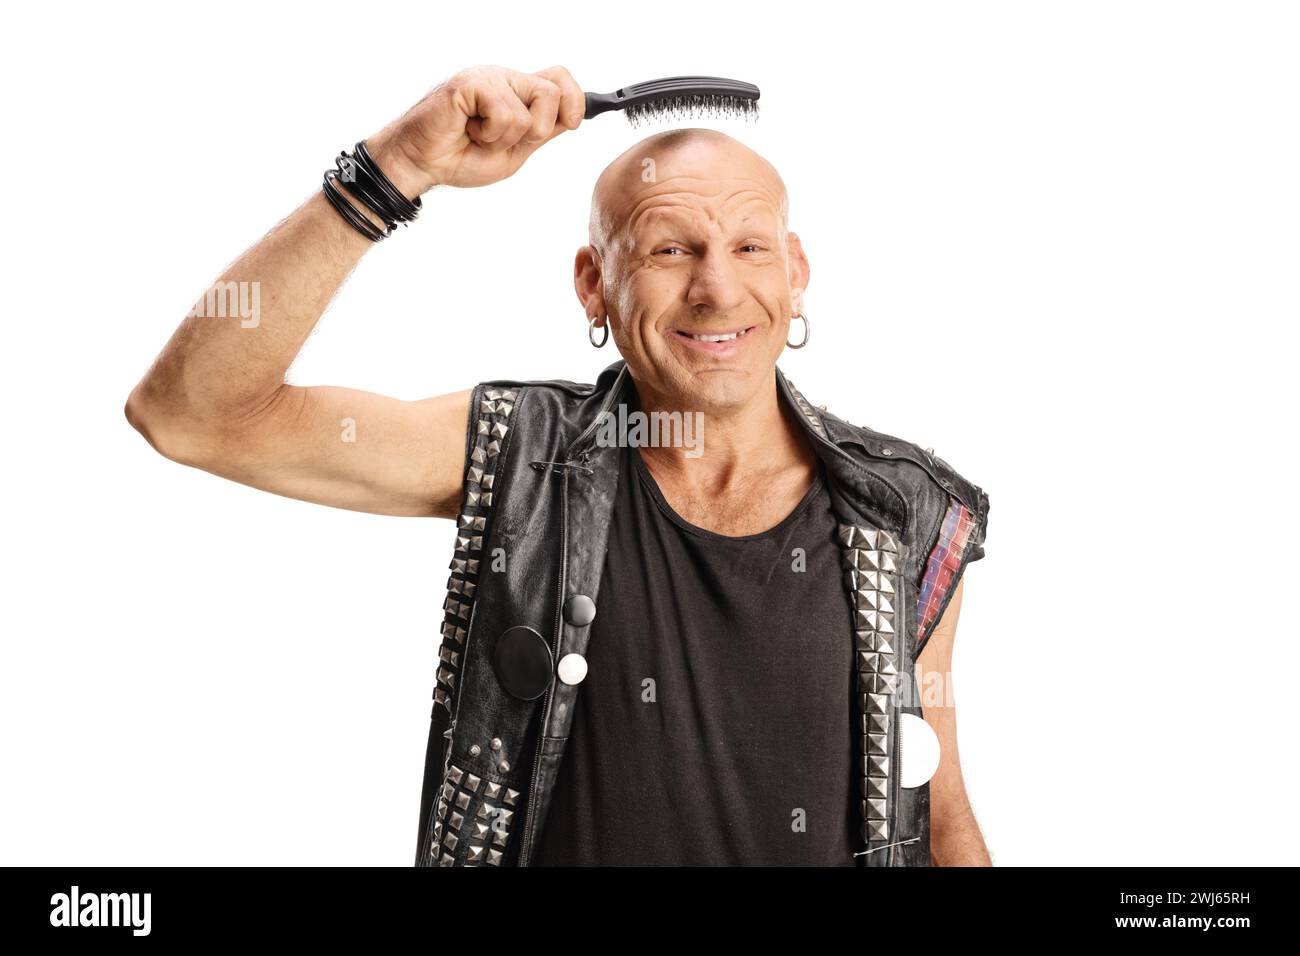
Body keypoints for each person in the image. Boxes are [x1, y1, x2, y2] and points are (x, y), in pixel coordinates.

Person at [126, 64, 991, 866]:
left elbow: (937, 808)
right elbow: (193, 415)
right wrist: (393, 169)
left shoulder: (904, 508)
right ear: (593, 283)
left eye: (751, 248)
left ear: (797, 273)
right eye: (669, 249)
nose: (718, 289)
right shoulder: (522, 455)